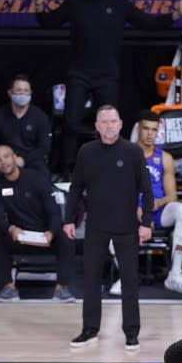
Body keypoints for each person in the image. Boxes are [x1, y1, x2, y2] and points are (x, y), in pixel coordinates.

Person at [34, 0, 182, 180]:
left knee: (109, 125)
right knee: (71, 123)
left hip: (107, 76)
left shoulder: (119, 4)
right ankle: (67, 171)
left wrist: (176, 14)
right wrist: (39, 4)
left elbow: (149, 24)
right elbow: (49, 22)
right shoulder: (75, 3)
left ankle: (107, 169)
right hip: (79, 74)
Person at [64, 105, 153, 349]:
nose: (108, 126)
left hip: (126, 227)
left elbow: (146, 190)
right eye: (103, 122)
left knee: (129, 281)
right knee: (91, 280)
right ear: (96, 126)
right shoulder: (86, 152)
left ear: (121, 124)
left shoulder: (133, 152)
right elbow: (75, 188)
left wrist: (146, 222)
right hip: (96, 227)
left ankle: (131, 332)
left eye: (113, 121)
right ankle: (89, 329)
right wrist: (69, 219)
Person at [110, 110, 182, 296]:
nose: (150, 134)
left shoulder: (164, 158)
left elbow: (172, 195)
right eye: (146, 129)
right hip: (131, 212)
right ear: (138, 130)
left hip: (158, 211)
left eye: (154, 130)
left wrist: (159, 202)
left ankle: (175, 274)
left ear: (159, 132)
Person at [0, 144, 75, 302]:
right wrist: (11, 228)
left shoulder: (36, 178)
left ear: (15, 157)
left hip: (45, 236)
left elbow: (54, 213)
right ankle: (8, 288)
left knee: (66, 237)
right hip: (19, 236)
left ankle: (62, 289)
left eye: (6, 156)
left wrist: (51, 232)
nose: (3, 162)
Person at [0, 74, 51, 174]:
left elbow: (44, 147)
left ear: (31, 93)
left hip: (31, 160)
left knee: (43, 183)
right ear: (10, 93)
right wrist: (5, 158)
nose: (22, 94)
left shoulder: (40, 117)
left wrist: (23, 160)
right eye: (18, 90)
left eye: (26, 91)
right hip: (4, 161)